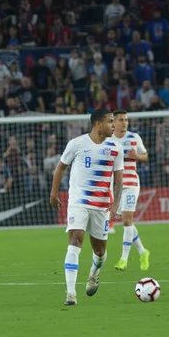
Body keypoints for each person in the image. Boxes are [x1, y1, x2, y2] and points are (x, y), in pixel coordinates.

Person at [49, 108, 123, 306]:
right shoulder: (77, 144)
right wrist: (54, 193)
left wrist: (115, 204)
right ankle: (71, 294)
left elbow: (118, 181)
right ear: (98, 124)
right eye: (110, 121)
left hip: (101, 206)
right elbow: (61, 166)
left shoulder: (116, 148)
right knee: (75, 239)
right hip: (78, 202)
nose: (114, 125)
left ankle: (94, 271)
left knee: (100, 251)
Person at [109, 110, 150, 272]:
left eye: (126, 120)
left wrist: (137, 156)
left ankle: (123, 259)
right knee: (127, 221)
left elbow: (145, 155)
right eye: (121, 120)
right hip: (115, 186)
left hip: (132, 183)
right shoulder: (108, 139)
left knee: (126, 220)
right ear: (113, 122)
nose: (125, 122)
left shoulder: (134, 137)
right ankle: (143, 251)